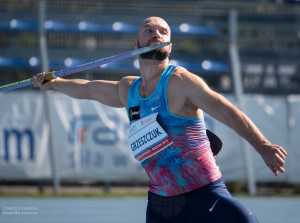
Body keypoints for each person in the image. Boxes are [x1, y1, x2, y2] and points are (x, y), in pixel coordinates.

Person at [33, 17, 287, 223]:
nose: (156, 34)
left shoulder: (180, 82)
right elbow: (87, 89)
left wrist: (263, 146)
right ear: (136, 43)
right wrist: (54, 84)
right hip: (162, 208)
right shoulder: (128, 90)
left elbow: (227, 112)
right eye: (148, 30)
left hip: (206, 197)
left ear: (169, 45)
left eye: (163, 31)